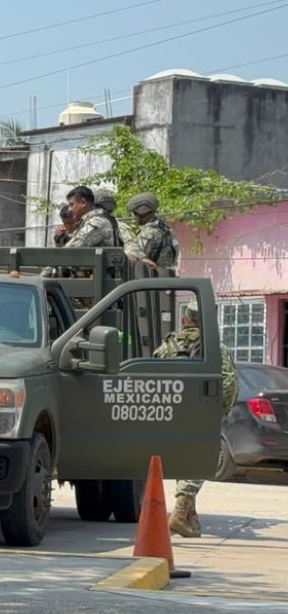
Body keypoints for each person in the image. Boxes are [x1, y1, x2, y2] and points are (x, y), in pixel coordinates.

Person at [153, 301, 237, 537]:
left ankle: (190, 518)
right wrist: (221, 411)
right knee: (200, 459)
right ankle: (180, 514)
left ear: (184, 320)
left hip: (172, 413)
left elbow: (153, 374)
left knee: (187, 461)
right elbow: (228, 384)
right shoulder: (215, 348)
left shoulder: (168, 345)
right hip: (202, 413)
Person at [126, 192, 179, 274]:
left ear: (142, 213)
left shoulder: (148, 233)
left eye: (134, 213)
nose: (134, 217)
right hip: (168, 276)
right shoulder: (168, 230)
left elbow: (133, 257)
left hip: (152, 279)